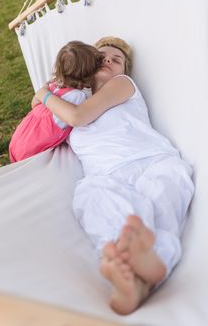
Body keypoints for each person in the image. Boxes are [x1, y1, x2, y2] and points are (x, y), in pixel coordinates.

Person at [34, 36, 194, 315]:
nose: (108, 60)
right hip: (105, 176)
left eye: (116, 59)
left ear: (124, 70)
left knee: (161, 198)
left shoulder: (122, 85)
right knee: (93, 200)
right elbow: (40, 121)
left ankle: (150, 259)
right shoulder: (73, 98)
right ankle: (131, 274)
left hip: (150, 161)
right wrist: (48, 96)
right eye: (101, 57)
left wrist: (43, 95)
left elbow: (78, 118)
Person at [9, 41, 103, 162]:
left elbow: (34, 104)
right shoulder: (77, 96)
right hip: (33, 146)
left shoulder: (52, 85)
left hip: (21, 137)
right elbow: (79, 118)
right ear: (89, 74)